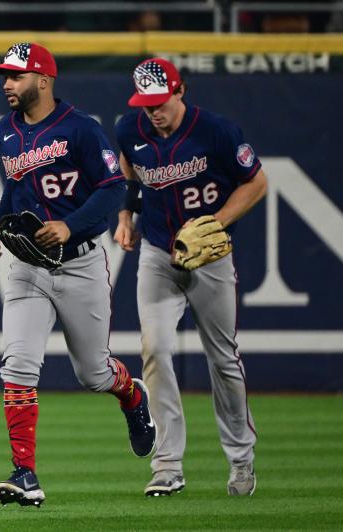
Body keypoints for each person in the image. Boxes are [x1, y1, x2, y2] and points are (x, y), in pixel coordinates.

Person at [0, 42, 156, 508]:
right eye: (5, 77)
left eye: (16, 76)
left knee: (94, 373)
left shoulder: (81, 129)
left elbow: (113, 188)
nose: (7, 84)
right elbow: (15, 187)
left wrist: (70, 224)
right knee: (17, 366)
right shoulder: (6, 131)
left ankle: (132, 396)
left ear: (43, 79)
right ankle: (25, 473)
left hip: (80, 263)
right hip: (29, 267)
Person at [114, 57, 267, 497]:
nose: (154, 111)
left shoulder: (216, 130)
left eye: (160, 102)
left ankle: (241, 460)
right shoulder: (131, 128)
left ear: (180, 92)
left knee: (222, 359)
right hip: (159, 252)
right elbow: (129, 171)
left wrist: (216, 223)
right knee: (155, 349)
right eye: (146, 104)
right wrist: (126, 215)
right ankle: (167, 465)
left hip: (209, 257)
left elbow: (256, 183)